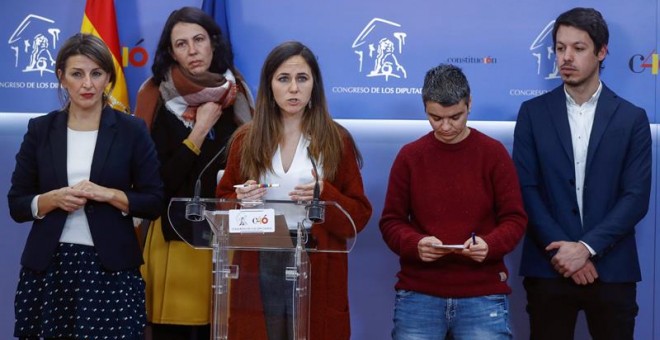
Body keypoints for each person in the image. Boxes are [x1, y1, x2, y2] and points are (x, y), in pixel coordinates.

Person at [7, 33, 163, 339]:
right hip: (49, 269)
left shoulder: (132, 130)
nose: (87, 84)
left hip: (112, 269)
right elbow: (17, 204)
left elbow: (154, 201)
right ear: (61, 78)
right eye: (77, 74)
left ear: (108, 78)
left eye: (96, 74)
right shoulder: (40, 129)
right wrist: (52, 199)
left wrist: (108, 194)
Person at [215, 41, 372, 340]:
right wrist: (240, 200)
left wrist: (325, 193)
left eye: (302, 78)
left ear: (315, 84)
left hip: (315, 259)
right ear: (269, 85)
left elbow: (359, 216)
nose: (293, 89)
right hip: (258, 260)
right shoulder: (245, 140)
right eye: (283, 79)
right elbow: (222, 204)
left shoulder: (337, 140)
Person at [512, 7, 652, 340]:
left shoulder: (631, 118)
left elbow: (635, 198)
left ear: (601, 52)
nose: (566, 57)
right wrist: (565, 253)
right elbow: (525, 189)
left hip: (612, 269)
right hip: (549, 268)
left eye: (578, 48)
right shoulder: (532, 113)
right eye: (560, 48)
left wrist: (586, 248)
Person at [379, 64, 527, 340]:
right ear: (424, 108)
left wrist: (490, 245)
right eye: (435, 118)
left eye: (455, 117)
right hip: (419, 293)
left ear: (469, 104)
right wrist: (415, 245)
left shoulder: (493, 154)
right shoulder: (410, 156)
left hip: (482, 293)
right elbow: (391, 222)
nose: (445, 127)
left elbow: (515, 219)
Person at [134, 6, 253, 340]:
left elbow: (251, 164)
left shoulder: (238, 92)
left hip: (228, 236)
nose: (192, 50)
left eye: (198, 40)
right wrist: (198, 132)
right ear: (171, 52)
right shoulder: (154, 94)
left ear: (213, 43)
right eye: (181, 44)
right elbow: (154, 183)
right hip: (175, 238)